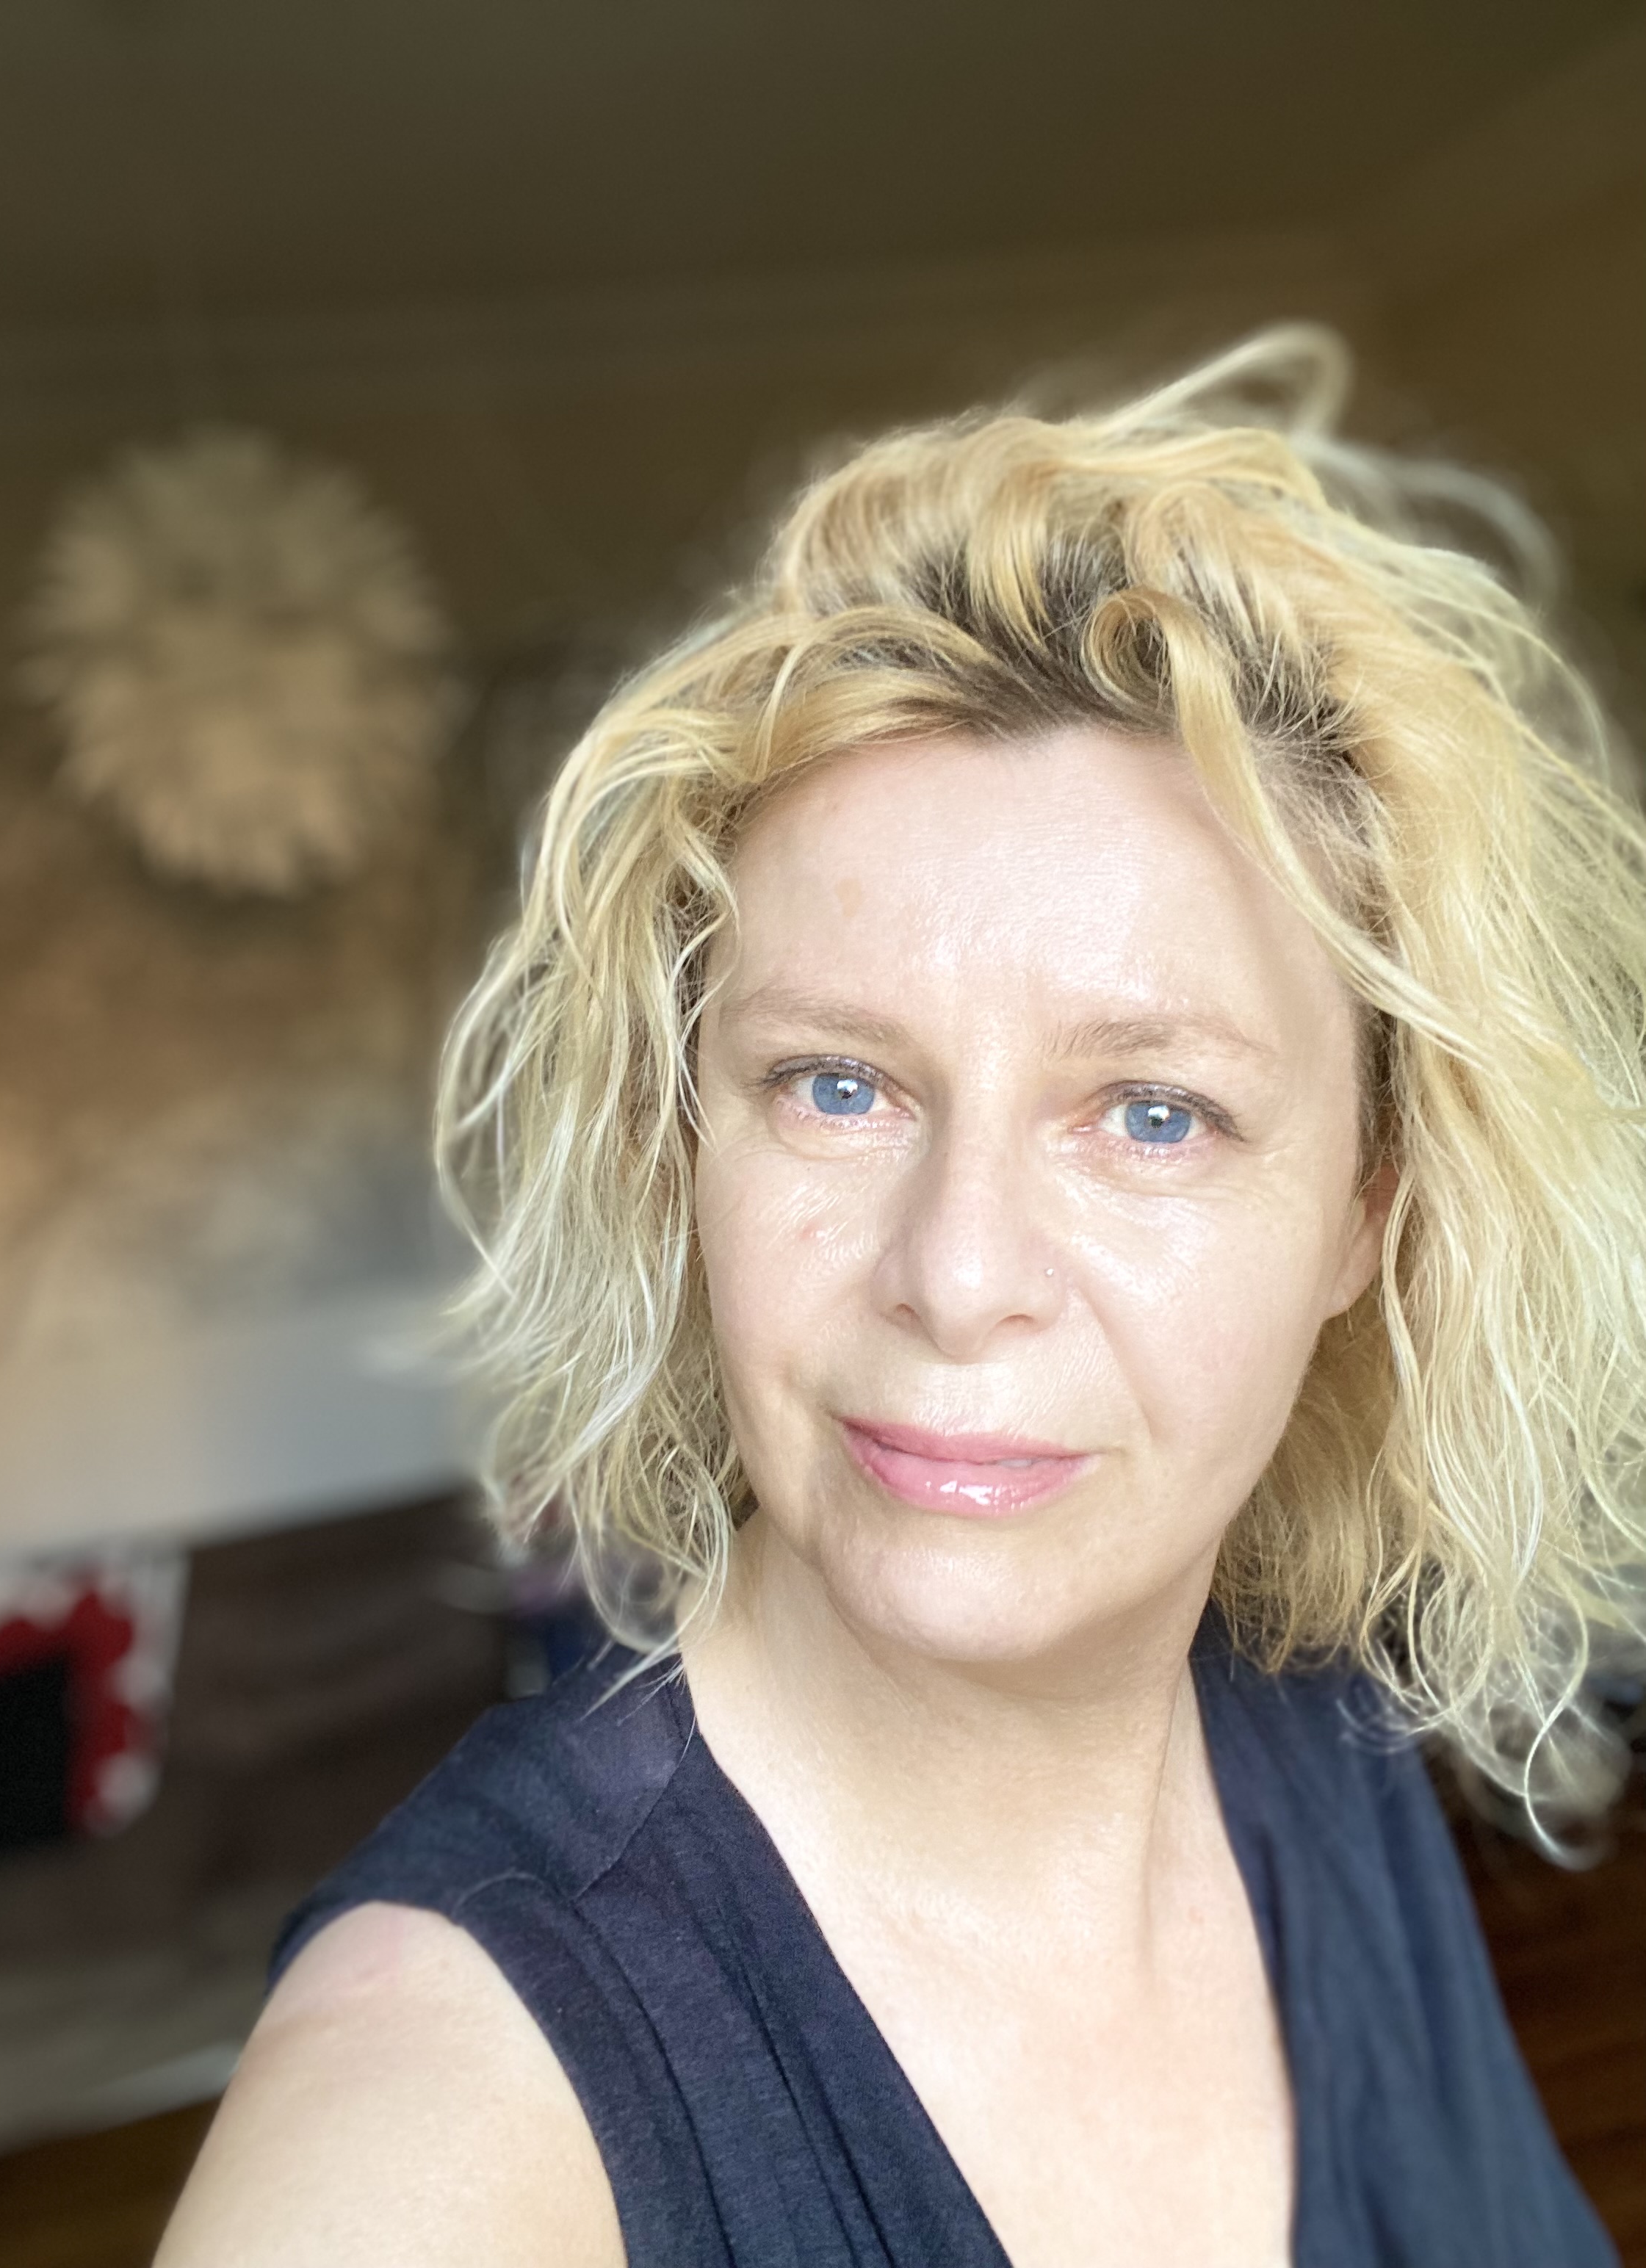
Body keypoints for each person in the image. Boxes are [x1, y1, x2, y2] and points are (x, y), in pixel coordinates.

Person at [155, 329, 1645, 2268]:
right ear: (684, 1144)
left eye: (1152, 1113)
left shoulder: (1323, 1743)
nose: (954, 1276)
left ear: (1366, 1210)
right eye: (836, 1086)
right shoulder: (437, 2114)